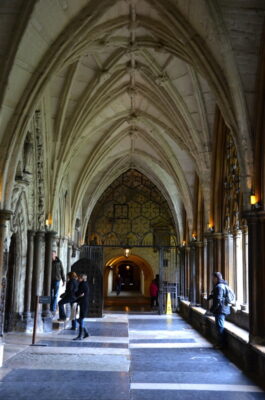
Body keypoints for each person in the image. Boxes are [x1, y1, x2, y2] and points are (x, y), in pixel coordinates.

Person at [207, 271, 231, 349]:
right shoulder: (223, 285)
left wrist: (211, 310)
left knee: (220, 326)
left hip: (220, 309)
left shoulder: (219, 287)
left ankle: (221, 344)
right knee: (219, 326)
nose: (212, 280)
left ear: (216, 278)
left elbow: (218, 300)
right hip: (223, 308)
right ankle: (220, 343)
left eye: (213, 278)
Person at [73, 273, 89, 340]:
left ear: (82, 278)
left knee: (80, 318)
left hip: (82, 303)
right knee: (78, 318)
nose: (78, 279)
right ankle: (85, 333)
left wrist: (76, 296)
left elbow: (81, 294)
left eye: (79, 278)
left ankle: (80, 335)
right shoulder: (83, 284)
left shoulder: (83, 285)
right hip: (81, 302)